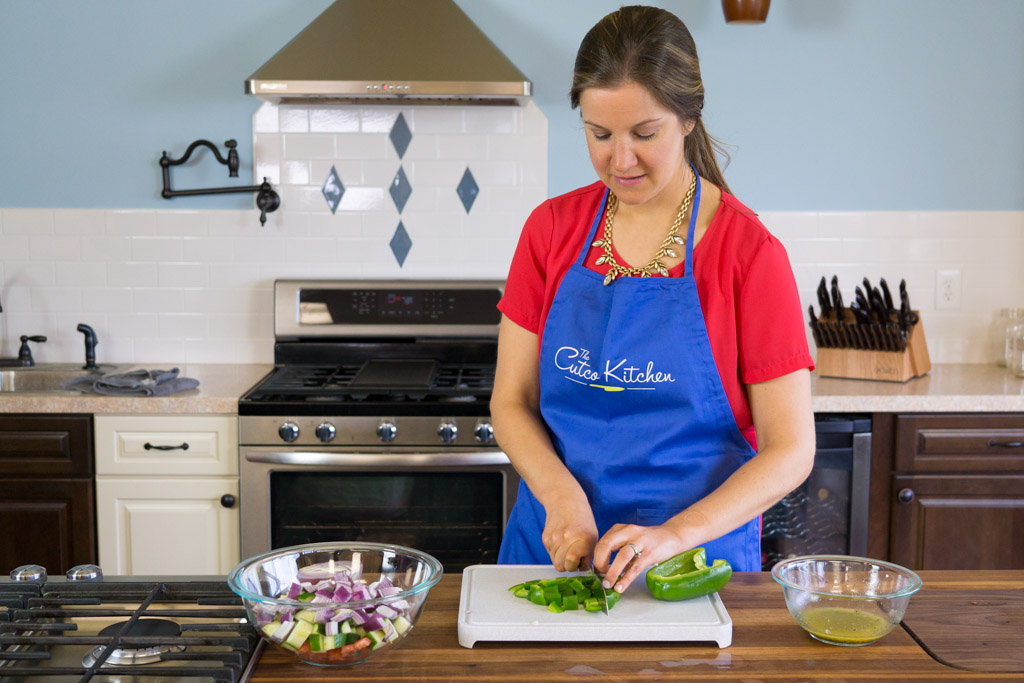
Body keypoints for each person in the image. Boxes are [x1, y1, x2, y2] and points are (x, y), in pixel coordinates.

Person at [492, 5, 816, 595]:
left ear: (688, 119)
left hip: (691, 566)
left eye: (645, 134)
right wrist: (563, 501)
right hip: (553, 549)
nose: (620, 159)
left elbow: (791, 449)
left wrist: (672, 533)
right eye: (599, 134)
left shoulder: (749, 254)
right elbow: (511, 402)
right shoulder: (550, 231)